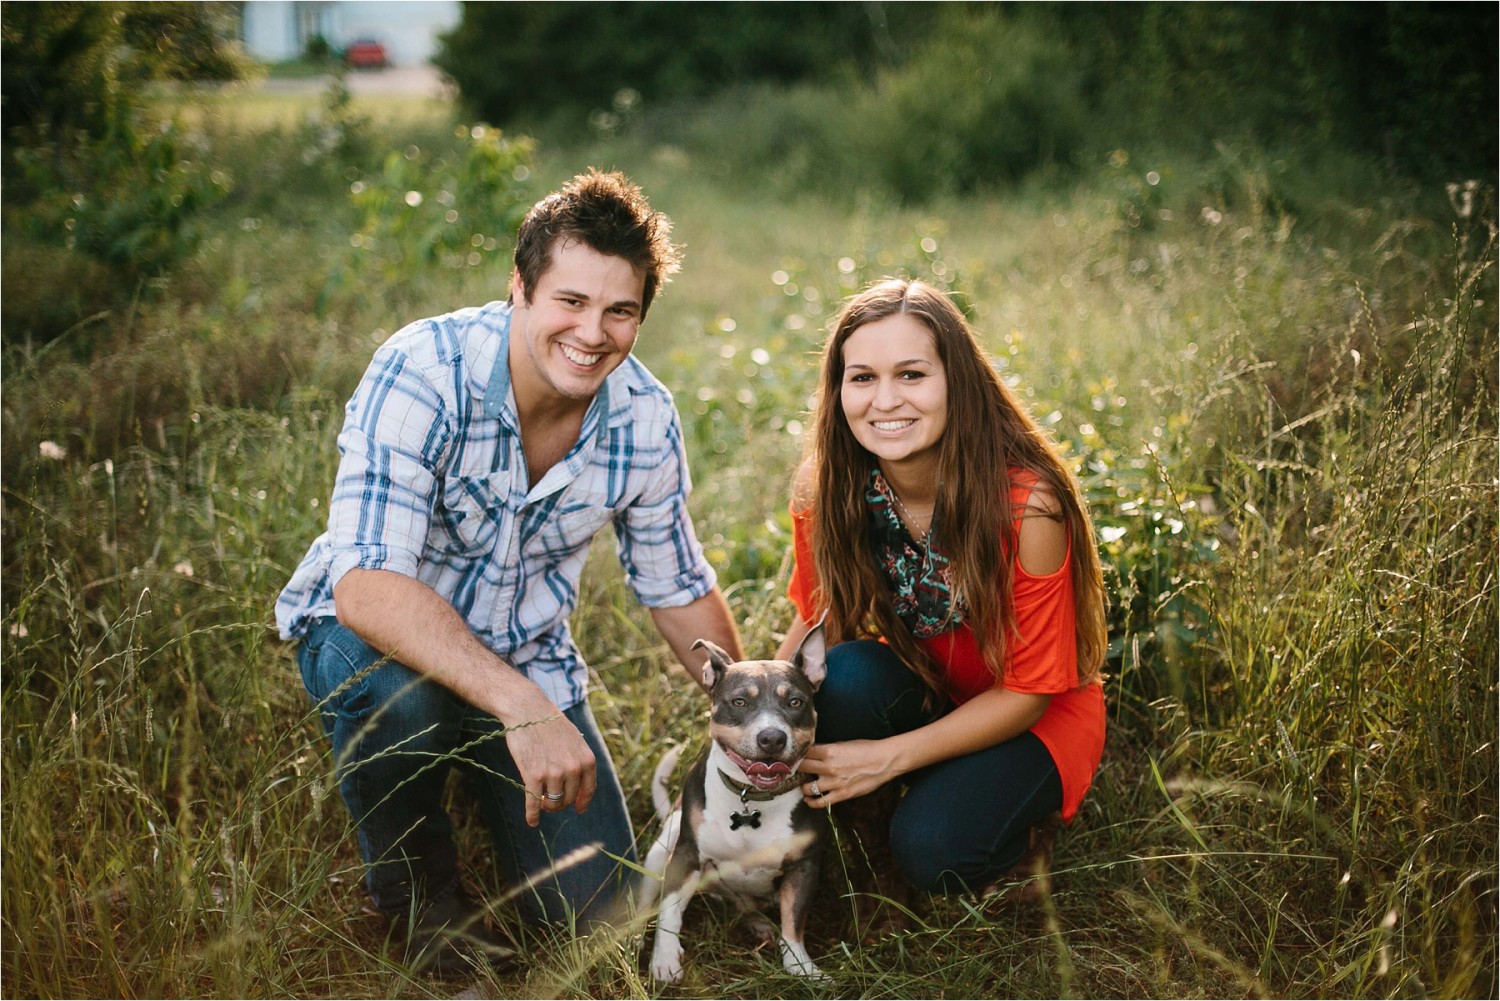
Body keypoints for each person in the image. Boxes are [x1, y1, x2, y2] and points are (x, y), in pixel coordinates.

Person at [275, 169, 742, 973]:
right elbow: (364, 585)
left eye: (619, 310)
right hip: (367, 640)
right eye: (570, 300)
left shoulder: (644, 418)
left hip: (524, 654)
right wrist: (522, 708)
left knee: (601, 921)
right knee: (403, 704)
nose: (592, 332)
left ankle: (475, 755)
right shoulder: (425, 366)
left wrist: (751, 715)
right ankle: (417, 895)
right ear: (519, 288)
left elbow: (678, 585)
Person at [776, 278, 1107, 926]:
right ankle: (876, 826)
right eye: (862, 377)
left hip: (1036, 712)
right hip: (932, 681)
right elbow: (818, 621)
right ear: (838, 389)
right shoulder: (828, 487)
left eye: (912, 374)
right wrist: (750, 726)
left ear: (956, 380)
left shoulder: (1026, 507)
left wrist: (886, 755)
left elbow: (1028, 691)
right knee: (833, 677)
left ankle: (1009, 834)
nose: (885, 400)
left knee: (932, 849)